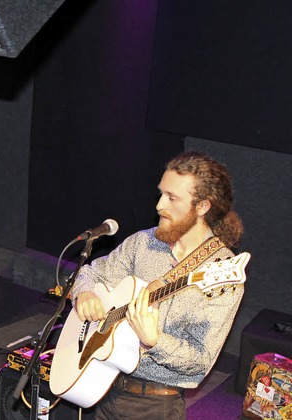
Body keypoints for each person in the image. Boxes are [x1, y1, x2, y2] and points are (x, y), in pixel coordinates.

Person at [70, 151, 245, 419]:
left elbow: (200, 362)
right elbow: (91, 273)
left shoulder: (221, 275)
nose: (159, 205)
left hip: (154, 405)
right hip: (102, 383)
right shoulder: (144, 242)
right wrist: (85, 293)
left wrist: (155, 341)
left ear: (202, 207)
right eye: (161, 193)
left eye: (172, 198)